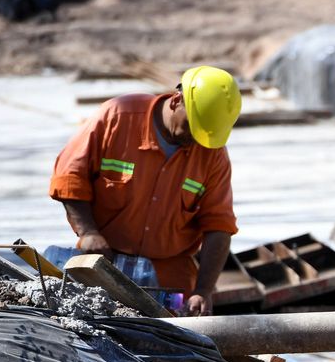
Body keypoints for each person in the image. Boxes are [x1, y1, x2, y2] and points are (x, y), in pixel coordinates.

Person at [48, 65, 242, 316]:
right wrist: (88, 232)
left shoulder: (212, 154)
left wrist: (203, 291)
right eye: (192, 129)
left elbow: (219, 225)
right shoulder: (117, 116)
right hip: (103, 265)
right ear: (176, 101)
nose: (196, 140)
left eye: (204, 135)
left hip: (170, 278)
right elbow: (70, 176)